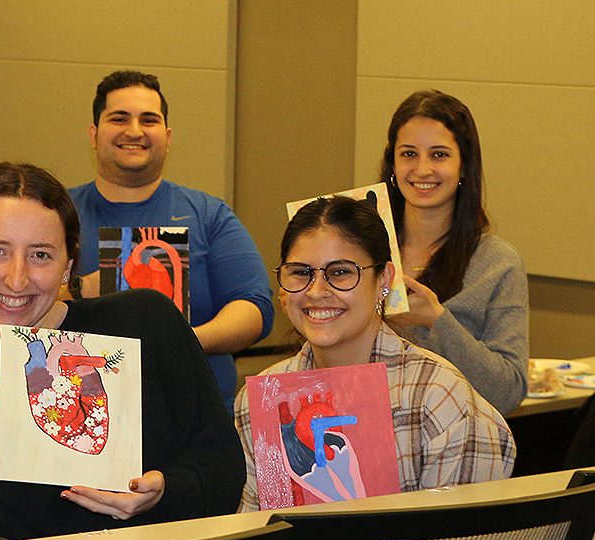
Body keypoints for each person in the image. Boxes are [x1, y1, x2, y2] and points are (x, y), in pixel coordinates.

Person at [0, 162, 244, 540]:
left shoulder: (142, 323)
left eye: (41, 255)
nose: (17, 278)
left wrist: (166, 492)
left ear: (68, 264)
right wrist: (27, 414)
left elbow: (223, 471)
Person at [236, 196, 514, 512]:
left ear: (383, 280)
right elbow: (258, 531)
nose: (316, 291)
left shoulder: (435, 396)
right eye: (300, 272)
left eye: (340, 272)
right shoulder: (262, 398)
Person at [70, 70, 274, 412]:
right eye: (119, 118)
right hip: (84, 414)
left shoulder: (209, 215)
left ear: (167, 136)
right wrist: (80, 289)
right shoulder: (54, 213)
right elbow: (19, 297)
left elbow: (256, 308)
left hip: (194, 417)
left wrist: (185, 340)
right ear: (94, 134)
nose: (134, 131)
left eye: (148, 120)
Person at [380, 90, 528, 415]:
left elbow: (508, 391)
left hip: (456, 450)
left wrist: (436, 320)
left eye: (439, 155)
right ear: (392, 163)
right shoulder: (361, 251)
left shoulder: (497, 263)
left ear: (464, 166)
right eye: (408, 154)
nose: (421, 169)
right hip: (359, 440)